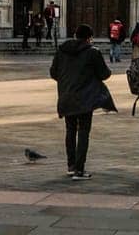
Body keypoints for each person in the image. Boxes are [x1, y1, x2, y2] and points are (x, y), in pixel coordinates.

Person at [50, 22, 117, 180]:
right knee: (83, 132)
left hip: (66, 97)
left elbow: (53, 72)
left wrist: (67, 81)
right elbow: (104, 74)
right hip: (85, 98)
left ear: (75, 36)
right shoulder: (92, 52)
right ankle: (79, 170)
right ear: (89, 38)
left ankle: (71, 166)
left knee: (70, 130)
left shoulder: (62, 50)